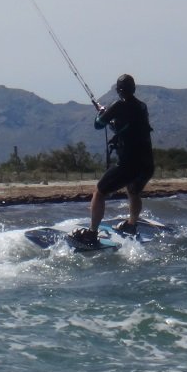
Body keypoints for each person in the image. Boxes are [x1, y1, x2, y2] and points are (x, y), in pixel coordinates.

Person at [70, 74, 154, 244]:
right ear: (134, 89)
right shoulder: (142, 107)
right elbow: (127, 125)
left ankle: (92, 234)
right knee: (133, 191)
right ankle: (131, 224)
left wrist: (102, 113)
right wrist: (110, 116)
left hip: (129, 164)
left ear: (118, 90)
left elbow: (98, 124)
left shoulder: (118, 106)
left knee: (99, 192)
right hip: (147, 163)